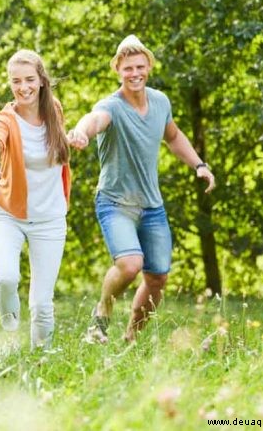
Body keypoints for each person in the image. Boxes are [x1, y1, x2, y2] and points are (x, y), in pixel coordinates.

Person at [68, 35, 215, 343]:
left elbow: (173, 137)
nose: (134, 73)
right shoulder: (111, 106)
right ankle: (100, 318)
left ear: (149, 66)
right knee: (130, 264)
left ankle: (131, 339)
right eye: (127, 68)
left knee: (158, 276)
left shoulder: (160, 102)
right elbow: (94, 120)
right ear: (117, 70)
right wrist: (81, 132)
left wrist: (199, 165)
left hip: (151, 206)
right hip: (115, 202)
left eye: (139, 67)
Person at [0, 49, 72, 351]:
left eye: (29, 80)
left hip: (49, 219)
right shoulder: (5, 119)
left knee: (42, 302)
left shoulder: (54, 111)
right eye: (16, 81)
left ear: (42, 81)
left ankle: (41, 357)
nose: (23, 88)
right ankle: (10, 335)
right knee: (6, 278)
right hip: (9, 214)